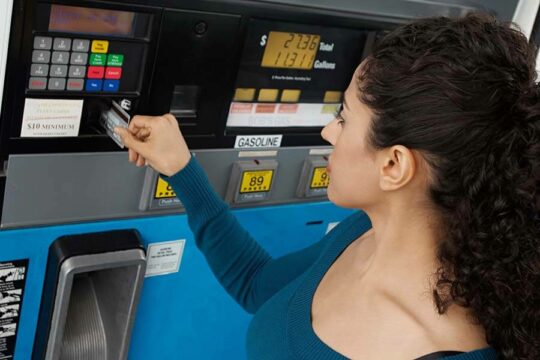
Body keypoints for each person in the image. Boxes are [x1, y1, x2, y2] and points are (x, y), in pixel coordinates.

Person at [115, 12, 539, 360]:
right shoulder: (364, 236)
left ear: (394, 165)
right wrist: (181, 168)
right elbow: (256, 283)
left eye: (343, 117)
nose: (327, 132)